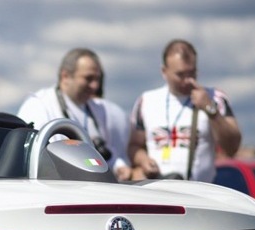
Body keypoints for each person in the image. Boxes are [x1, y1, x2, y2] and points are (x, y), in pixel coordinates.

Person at [128, 39, 241, 182]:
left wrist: (210, 110)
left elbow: (232, 147)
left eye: (192, 73)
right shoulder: (146, 100)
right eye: (180, 75)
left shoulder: (215, 98)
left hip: (198, 192)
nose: (188, 80)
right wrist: (143, 160)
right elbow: (134, 146)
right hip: (157, 191)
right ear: (164, 71)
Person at [16, 48, 131, 181]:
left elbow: (108, 154)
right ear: (65, 76)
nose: (95, 86)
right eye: (88, 78)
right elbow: (29, 159)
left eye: (98, 79)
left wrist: (119, 167)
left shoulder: (98, 110)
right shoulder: (38, 106)